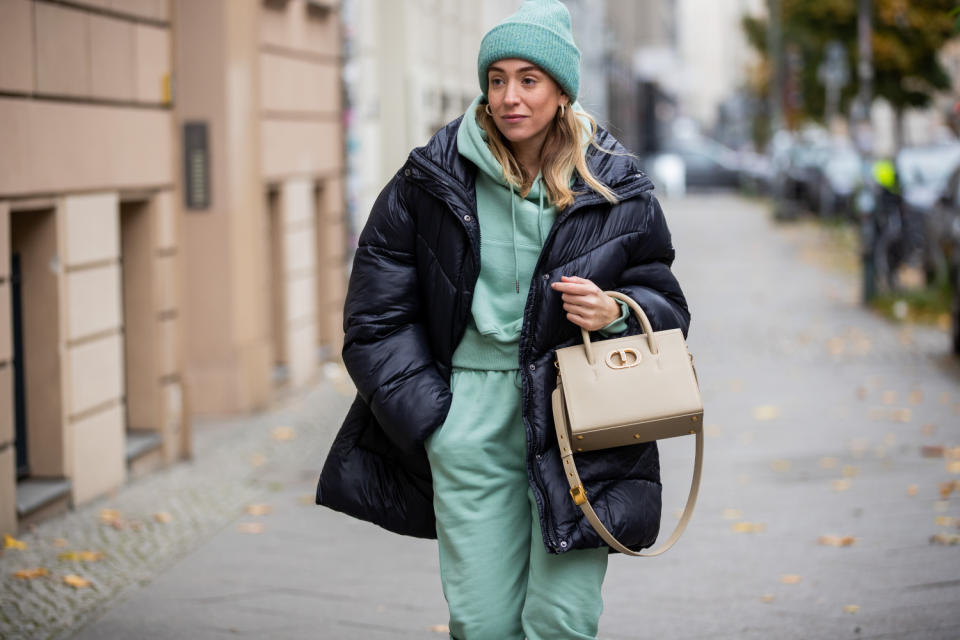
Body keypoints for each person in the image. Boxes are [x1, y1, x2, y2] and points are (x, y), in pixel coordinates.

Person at [316, 1, 690, 638]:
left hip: (580, 422)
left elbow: (667, 305)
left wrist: (616, 313)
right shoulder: (429, 181)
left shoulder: (615, 185)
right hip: (469, 422)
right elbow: (375, 318)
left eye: (528, 79)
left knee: (562, 620)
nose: (510, 96)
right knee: (481, 622)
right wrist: (435, 420)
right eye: (497, 79)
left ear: (562, 91)